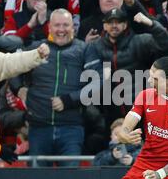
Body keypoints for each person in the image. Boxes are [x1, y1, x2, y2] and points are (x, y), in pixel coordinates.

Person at [10, 9, 102, 167]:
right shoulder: (36, 48)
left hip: (71, 128)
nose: (61, 30)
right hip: (39, 127)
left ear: (73, 27)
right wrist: (18, 89)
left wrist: (68, 100)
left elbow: (98, 82)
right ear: (49, 27)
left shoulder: (85, 49)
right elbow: (12, 68)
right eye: (57, 25)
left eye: (65, 25)